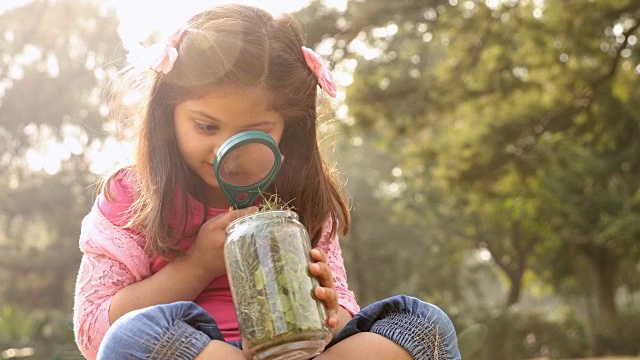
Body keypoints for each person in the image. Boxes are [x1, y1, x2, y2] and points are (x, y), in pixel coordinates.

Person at [72, 4, 461, 360]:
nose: (227, 149)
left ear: (286, 128)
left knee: (425, 328)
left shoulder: (300, 196)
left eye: (254, 131)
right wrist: (197, 266)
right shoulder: (132, 194)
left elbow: (339, 322)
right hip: (207, 355)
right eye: (206, 126)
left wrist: (328, 312)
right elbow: (94, 332)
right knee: (133, 338)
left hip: (297, 351)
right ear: (167, 112)